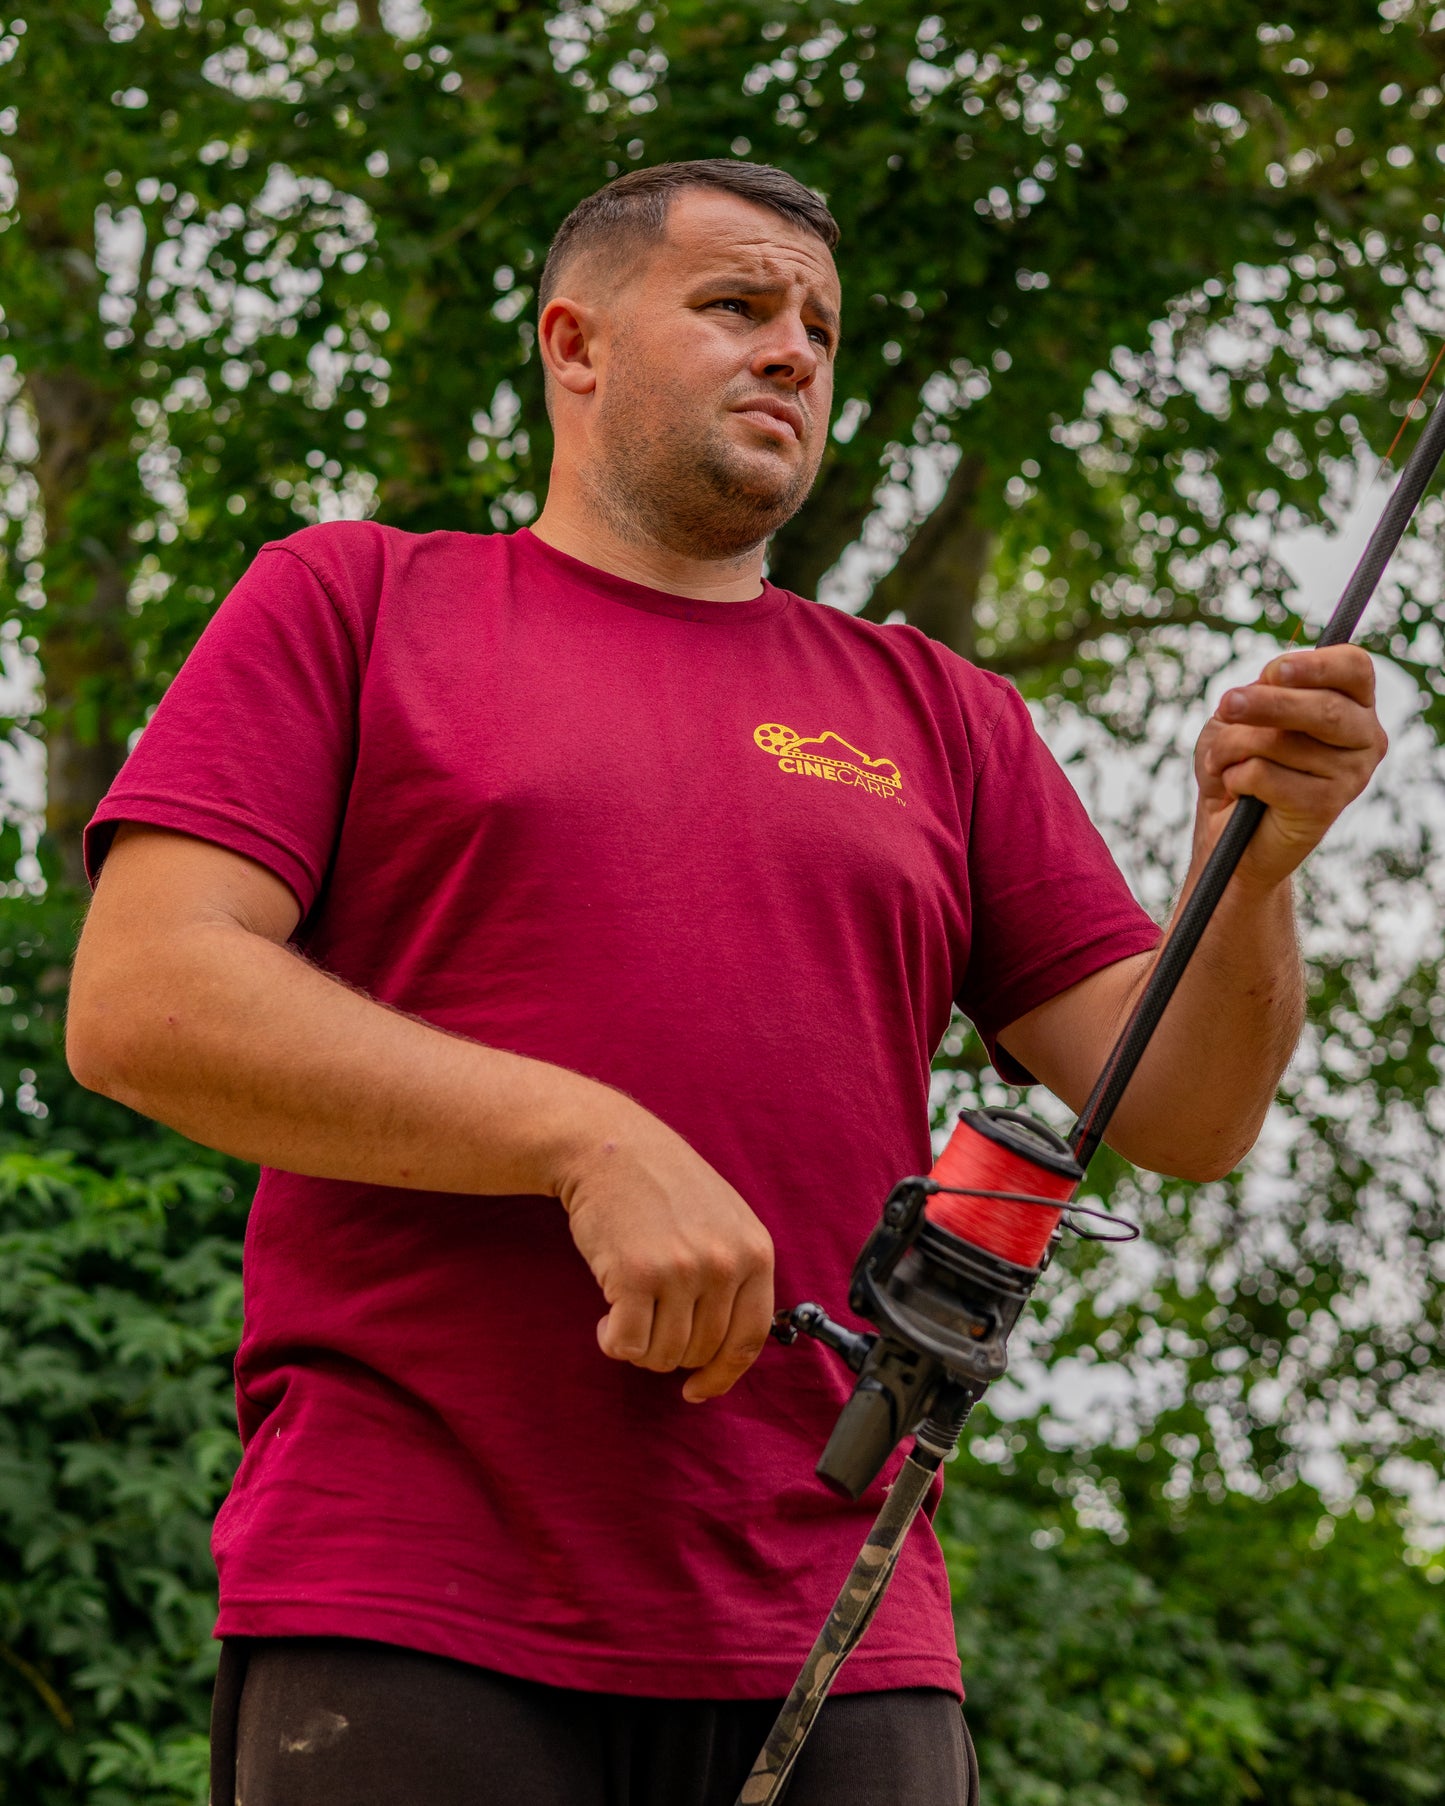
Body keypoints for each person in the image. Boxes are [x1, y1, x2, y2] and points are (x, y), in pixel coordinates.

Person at [66, 160, 1386, 1806]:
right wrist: (582, 1136)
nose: (793, 352)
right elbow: (143, 998)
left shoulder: (937, 709)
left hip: (841, 1613)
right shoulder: (356, 600)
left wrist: (1244, 873)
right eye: (737, 305)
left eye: (819, 329)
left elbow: (1183, 1106)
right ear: (576, 343)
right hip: (411, 1594)